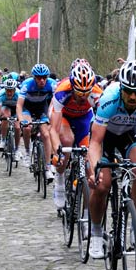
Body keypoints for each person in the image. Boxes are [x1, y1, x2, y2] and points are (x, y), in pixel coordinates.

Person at [87, 59, 136, 259]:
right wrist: (95, 169)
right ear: (121, 87)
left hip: (130, 133)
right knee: (102, 185)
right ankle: (96, 233)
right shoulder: (109, 99)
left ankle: (135, 227)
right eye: (128, 91)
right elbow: (95, 142)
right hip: (105, 136)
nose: (133, 96)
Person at [50, 61, 103, 210]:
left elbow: (103, 124)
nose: (83, 97)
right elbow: (53, 129)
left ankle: (87, 215)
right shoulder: (62, 90)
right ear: (72, 87)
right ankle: (60, 180)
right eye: (79, 93)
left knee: (90, 163)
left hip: (83, 118)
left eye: (86, 93)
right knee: (67, 140)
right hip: (64, 116)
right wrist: (57, 150)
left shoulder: (97, 93)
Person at [16, 63, 57, 181]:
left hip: (42, 109)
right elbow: (19, 105)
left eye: (45, 77)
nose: (42, 80)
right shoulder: (27, 84)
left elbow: (56, 104)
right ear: (34, 78)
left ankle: (48, 167)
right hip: (27, 109)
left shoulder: (52, 84)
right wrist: (21, 120)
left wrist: (53, 118)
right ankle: (28, 153)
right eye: (39, 78)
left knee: (46, 134)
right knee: (27, 128)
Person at [0, 78, 21, 159]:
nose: (9, 92)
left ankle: (17, 149)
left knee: (17, 127)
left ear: (14, 89)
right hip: (6, 107)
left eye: (11, 90)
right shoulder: (1, 94)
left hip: (16, 109)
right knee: (6, 116)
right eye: (7, 90)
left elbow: (22, 109)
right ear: (4, 89)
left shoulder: (19, 94)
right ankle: (3, 139)